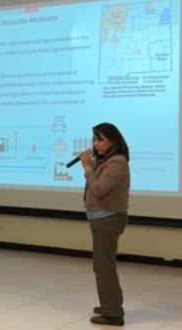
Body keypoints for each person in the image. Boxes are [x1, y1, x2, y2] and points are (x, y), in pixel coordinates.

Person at [78, 122, 130, 326]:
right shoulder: (106, 161)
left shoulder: (117, 162)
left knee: (103, 266)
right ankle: (111, 304)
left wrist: (87, 168)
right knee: (105, 265)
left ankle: (113, 313)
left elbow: (99, 189)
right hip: (101, 218)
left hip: (108, 219)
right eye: (94, 139)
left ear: (113, 141)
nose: (95, 144)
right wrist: (92, 165)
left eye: (100, 139)